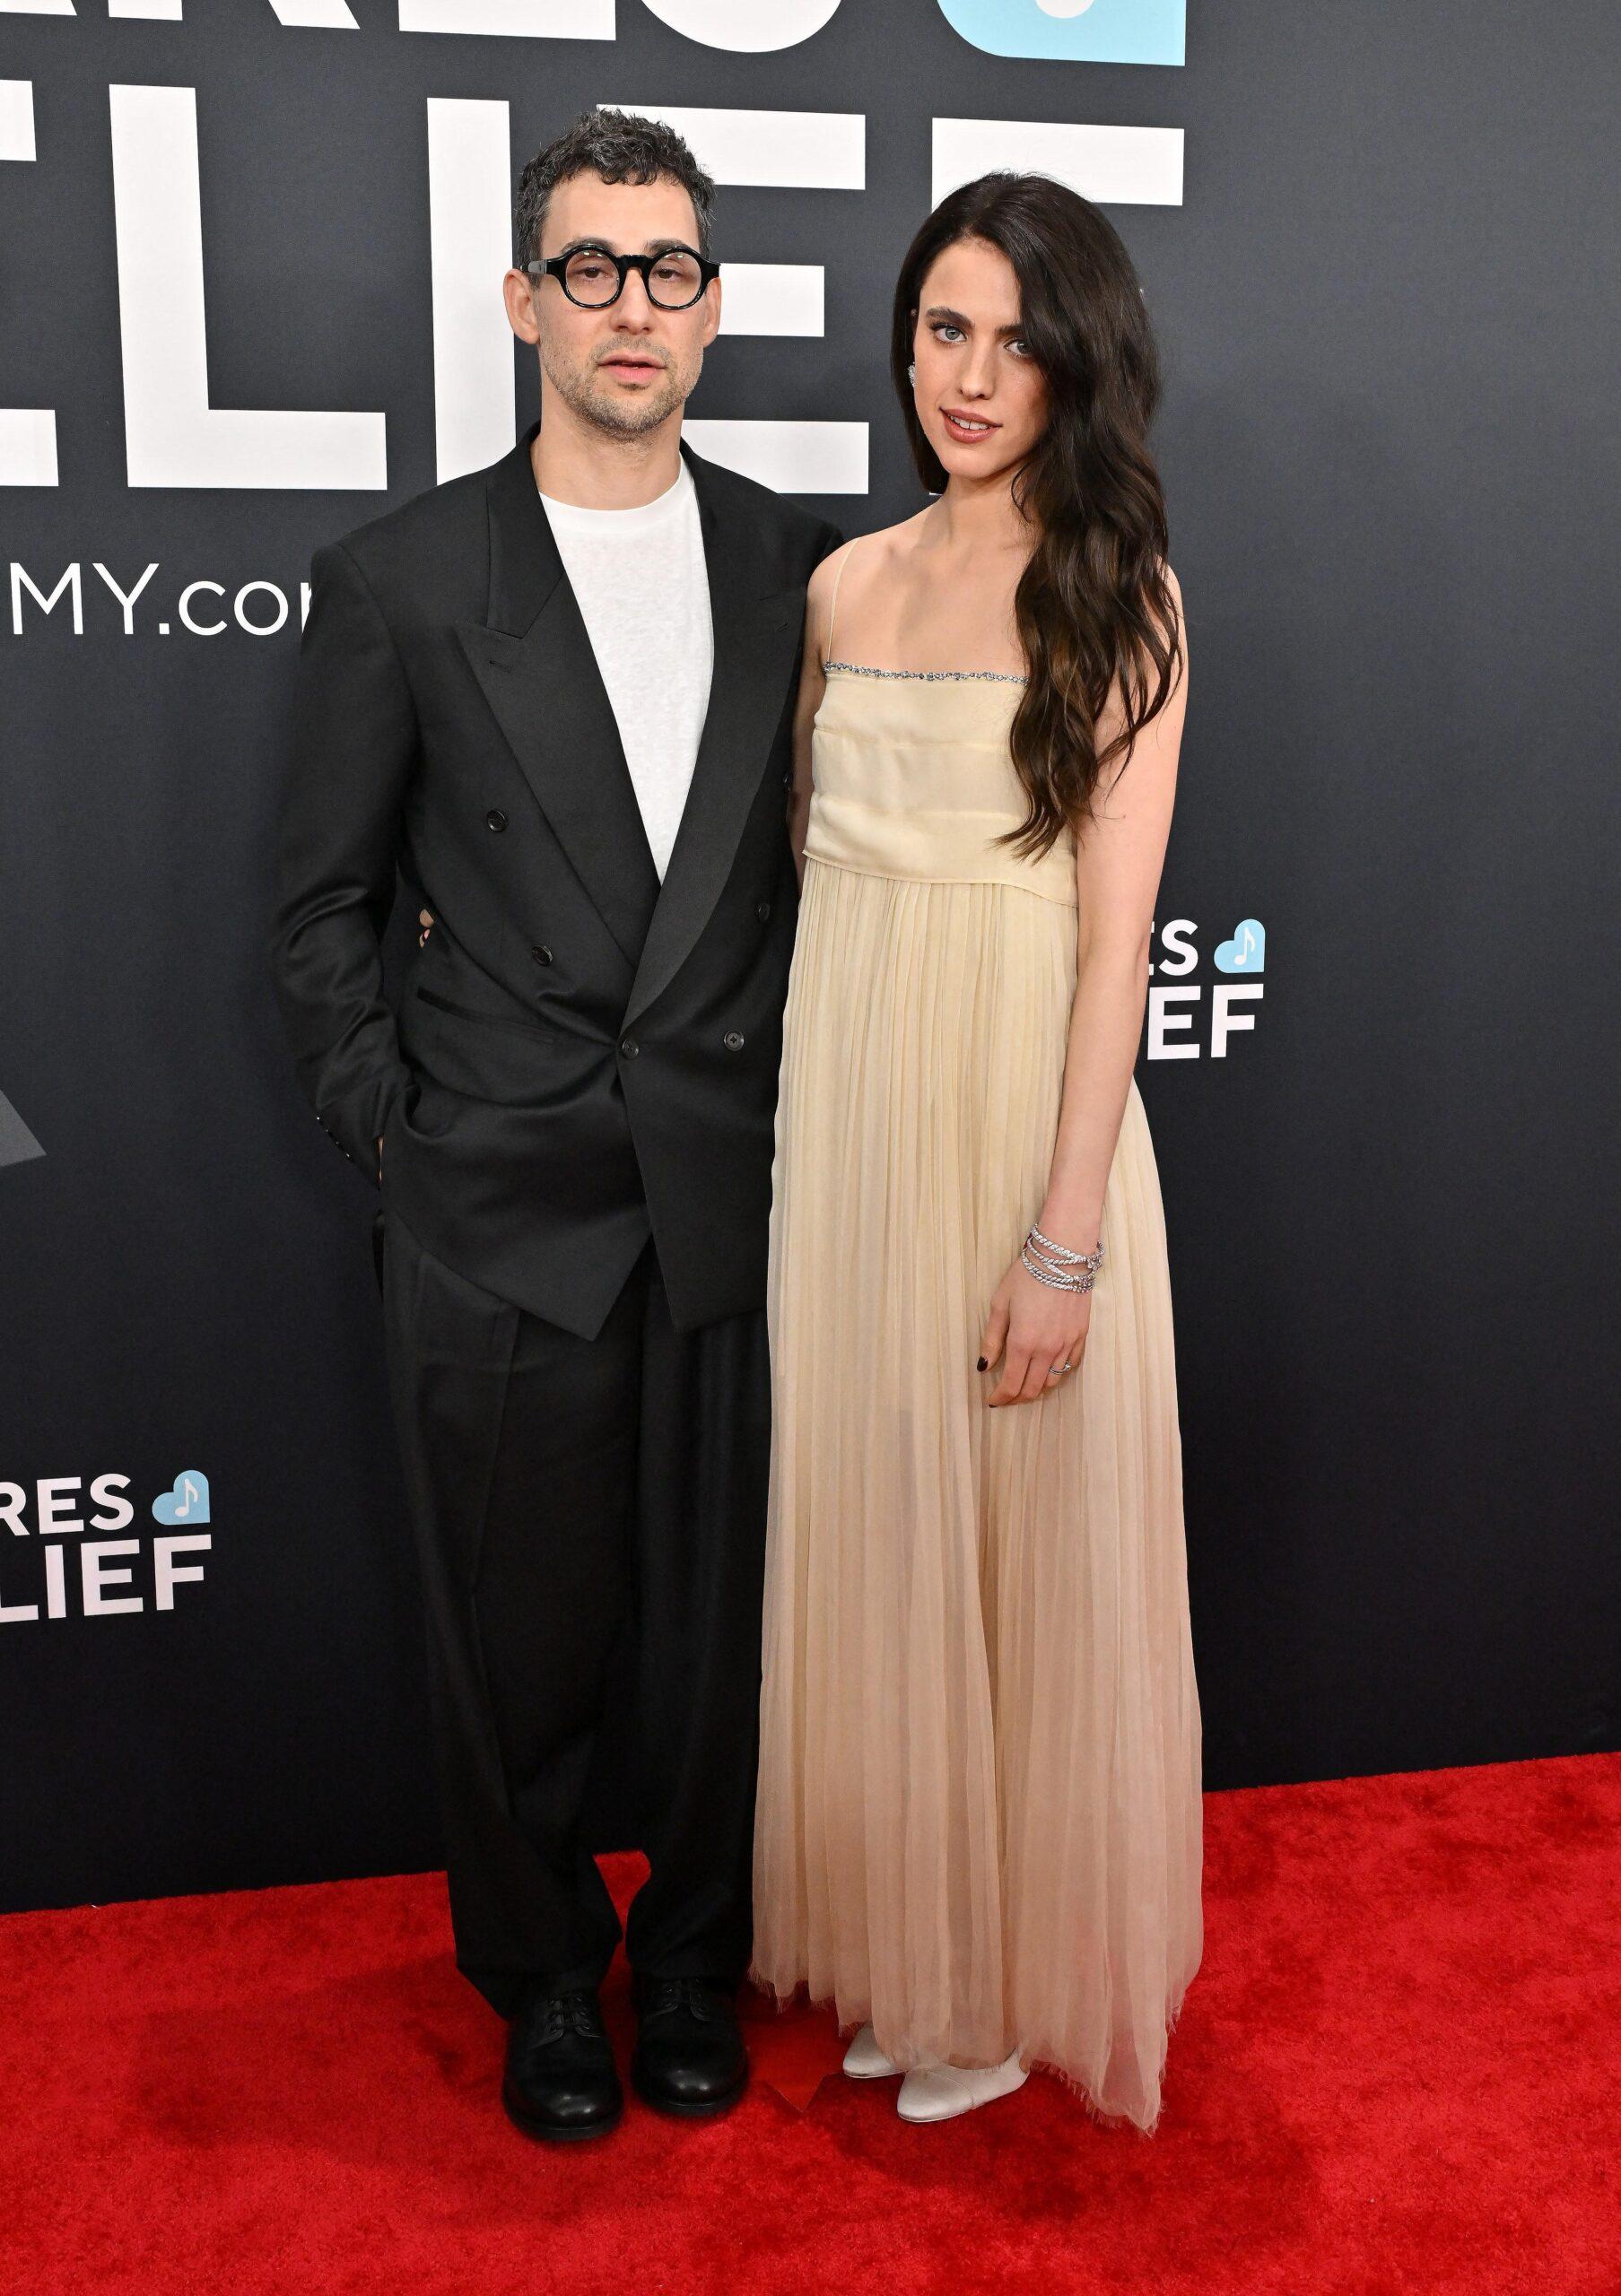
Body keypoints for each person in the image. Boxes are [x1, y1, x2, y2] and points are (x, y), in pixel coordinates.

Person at [267, 107, 841, 2144]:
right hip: (498, 1203)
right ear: (524, 299)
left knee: (712, 1644)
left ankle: (688, 1955)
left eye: (666, 268)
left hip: (726, 1196)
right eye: (588, 267)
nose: (630, 306)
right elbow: (322, 904)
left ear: (714, 307)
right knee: (512, 1649)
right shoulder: (403, 579)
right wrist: (404, 1133)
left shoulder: (800, 564)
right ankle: (541, 1981)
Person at [749, 172, 1204, 2131]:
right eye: (943, 326)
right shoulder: (843, 586)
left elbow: (1116, 939)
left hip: (1021, 1120)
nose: (971, 370)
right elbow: (804, 873)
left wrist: (1067, 1234)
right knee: (875, 1534)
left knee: (1014, 1550)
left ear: (1074, 362)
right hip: (848, 1110)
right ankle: (908, 1943)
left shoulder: (1121, 593)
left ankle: (1009, 1984)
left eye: (1014, 336)